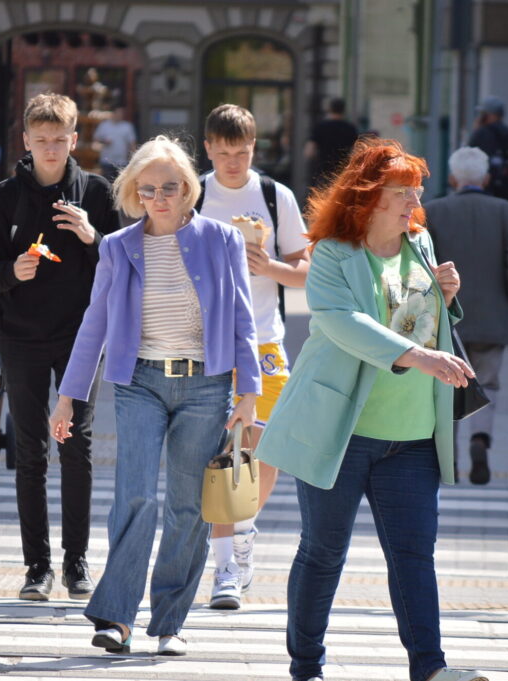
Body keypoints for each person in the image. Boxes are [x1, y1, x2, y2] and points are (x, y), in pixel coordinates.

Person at [255, 138, 487, 681]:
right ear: (369, 195)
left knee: (414, 555)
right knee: (323, 551)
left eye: (417, 191)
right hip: (341, 428)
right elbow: (342, 322)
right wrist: (419, 357)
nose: (415, 202)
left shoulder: (420, 242)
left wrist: (447, 297)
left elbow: (421, 317)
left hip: (413, 434)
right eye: (403, 192)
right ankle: (306, 667)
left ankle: (430, 668)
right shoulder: (334, 252)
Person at [47, 135, 261, 657]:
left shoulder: (222, 240)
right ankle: (117, 617)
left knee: (188, 507)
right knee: (136, 496)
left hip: (205, 386)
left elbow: (243, 318)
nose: (159, 198)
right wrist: (68, 396)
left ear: (187, 188)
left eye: (169, 187)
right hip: (139, 382)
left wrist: (249, 391)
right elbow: (94, 323)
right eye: (147, 189)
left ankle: (170, 622)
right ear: (133, 192)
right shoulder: (118, 246)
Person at [0, 93, 118, 601]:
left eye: (59, 139)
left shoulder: (97, 193)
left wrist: (93, 237)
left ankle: (77, 563)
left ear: (74, 140)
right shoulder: (5, 197)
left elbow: (123, 264)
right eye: (41, 140)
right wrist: (12, 271)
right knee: (30, 450)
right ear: (26, 141)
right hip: (20, 336)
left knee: (76, 446)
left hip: (81, 336)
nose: (51, 149)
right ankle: (38, 567)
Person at [198, 103, 311, 610]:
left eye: (241, 153)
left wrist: (270, 268)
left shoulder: (273, 195)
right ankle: (225, 566)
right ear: (208, 149)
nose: (233, 163)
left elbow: (305, 270)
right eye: (223, 153)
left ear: (254, 148)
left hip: (264, 340)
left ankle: (242, 528)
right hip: (206, 341)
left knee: (266, 448)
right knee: (224, 452)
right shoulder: (194, 193)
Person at [423, 146, 508, 485]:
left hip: (445, 316)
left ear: (453, 179)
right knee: (489, 383)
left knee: (447, 385)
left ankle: (449, 460)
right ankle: (480, 439)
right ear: (486, 179)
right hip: (493, 317)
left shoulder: (433, 211)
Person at [467, 96, 508, 206]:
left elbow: (467, 158)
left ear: (489, 115)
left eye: (482, 114)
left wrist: (476, 131)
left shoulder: (482, 133)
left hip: (488, 193)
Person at [305, 97, 358, 188]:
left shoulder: (321, 127)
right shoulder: (350, 128)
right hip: (342, 173)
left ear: (330, 109)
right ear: (343, 110)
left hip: (323, 172)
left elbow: (309, 152)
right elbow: (355, 151)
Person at [92, 107, 136, 182]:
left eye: (121, 114)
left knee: (120, 183)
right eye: (118, 113)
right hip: (106, 161)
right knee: (107, 183)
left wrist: (132, 158)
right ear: (113, 113)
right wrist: (104, 141)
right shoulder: (104, 125)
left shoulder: (127, 126)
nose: (120, 116)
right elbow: (96, 139)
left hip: (122, 162)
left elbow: (132, 143)